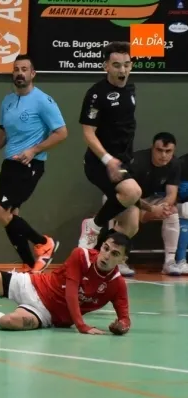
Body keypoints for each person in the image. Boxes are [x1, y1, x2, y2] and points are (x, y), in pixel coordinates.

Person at [0, 232, 132, 335]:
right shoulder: (81, 256)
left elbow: (125, 318)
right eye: (105, 248)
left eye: (114, 254)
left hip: (46, 314)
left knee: (10, 322)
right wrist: (82, 326)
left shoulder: (117, 285)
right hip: (31, 284)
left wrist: (120, 327)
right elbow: (71, 293)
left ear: (123, 260)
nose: (106, 255)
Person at [0, 55, 67, 273]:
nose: (20, 73)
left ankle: (44, 243)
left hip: (29, 165)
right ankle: (32, 267)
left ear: (33, 74)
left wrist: (33, 150)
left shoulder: (43, 101)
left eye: (24, 69)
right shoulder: (7, 101)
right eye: (16, 69)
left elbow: (61, 133)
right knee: (11, 216)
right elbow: (3, 134)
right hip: (9, 165)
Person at [84, 132, 181, 276]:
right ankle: (117, 261)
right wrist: (150, 211)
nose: (164, 155)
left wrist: (162, 208)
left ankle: (169, 262)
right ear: (152, 148)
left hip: (149, 200)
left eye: (168, 151)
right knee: (132, 223)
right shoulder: (137, 162)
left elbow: (171, 194)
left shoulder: (174, 164)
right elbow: (131, 194)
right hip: (125, 197)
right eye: (159, 150)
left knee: (172, 212)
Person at [77, 41, 143, 249]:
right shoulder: (96, 94)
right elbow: (88, 133)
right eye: (116, 65)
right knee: (132, 192)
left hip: (124, 162)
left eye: (126, 64)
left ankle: (100, 257)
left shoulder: (130, 88)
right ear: (106, 66)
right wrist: (108, 160)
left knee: (131, 226)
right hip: (100, 163)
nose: (122, 70)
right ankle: (93, 225)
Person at [174, 151, 188, 274]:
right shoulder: (183, 162)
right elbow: (182, 193)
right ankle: (181, 260)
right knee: (186, 209)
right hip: (180, 203)